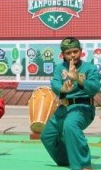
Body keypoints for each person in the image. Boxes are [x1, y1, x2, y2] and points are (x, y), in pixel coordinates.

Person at [40, 37, 100, 170]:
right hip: (63, 108)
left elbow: (95, 87)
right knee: (47, 136)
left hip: (82, 108)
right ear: (63, 54)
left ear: (81, 51)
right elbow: (55, 83)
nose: (73, 55)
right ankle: (66, 159)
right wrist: (63, 89)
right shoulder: (60, 68)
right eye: (68, 52)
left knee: (70, 126)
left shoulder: (89, 68)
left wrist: (78, 78)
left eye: (75, 51)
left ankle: (84, 165)